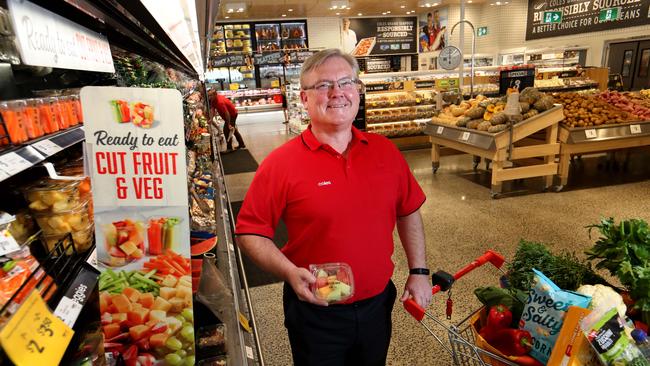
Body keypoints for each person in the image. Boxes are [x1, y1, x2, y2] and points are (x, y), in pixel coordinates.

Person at [235, 49, 432, 365]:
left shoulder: (385, 152)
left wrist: (419, 271)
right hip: (316, 312)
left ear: (358, 89)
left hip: (377, 305)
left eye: (346, 82)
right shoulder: (280, 164)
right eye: (324, 85)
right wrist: (289, 272)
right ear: (304, 98)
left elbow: (408, 209)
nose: (337, 93)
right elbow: (249, 232)